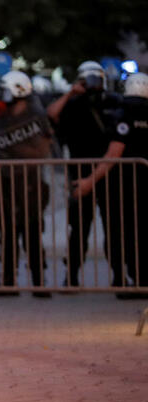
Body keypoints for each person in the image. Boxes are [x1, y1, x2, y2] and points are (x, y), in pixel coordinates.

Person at [0, 71, 54, 297]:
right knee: (7, 231)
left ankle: (39, 281)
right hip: (3, 181)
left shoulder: (36, 118)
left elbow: (45, 148)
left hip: (30, 180)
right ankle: (8, 280)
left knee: (32, 230)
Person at [46, 60, 124, 288]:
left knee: (114, 228)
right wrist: (71, 92)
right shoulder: (72, 103)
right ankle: (71, 275)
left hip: (110, 174)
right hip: (79, 174)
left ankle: (119, 276)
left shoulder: (112, 102)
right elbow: (51, 114)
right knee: (79, 229)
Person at [72, 72, 148, 298]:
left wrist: (89, 181)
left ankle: (122, 279)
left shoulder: (123, 114)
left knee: (119, 232)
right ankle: (142, 280)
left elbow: (114, 153)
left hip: (122, 186)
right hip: (143, 186)